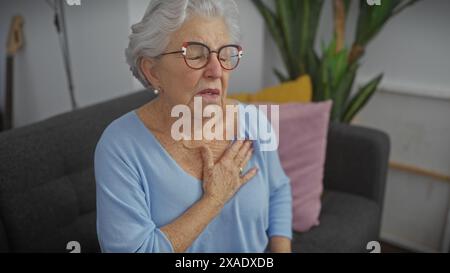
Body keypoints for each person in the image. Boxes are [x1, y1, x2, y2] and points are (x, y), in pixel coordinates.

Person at [94, 0, 292, 253]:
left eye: (224, 54)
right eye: (196, 54)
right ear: (153, 71)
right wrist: (214, 199)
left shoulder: (252, 121)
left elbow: (279, 190)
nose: (216, 70)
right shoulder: (120, 147)